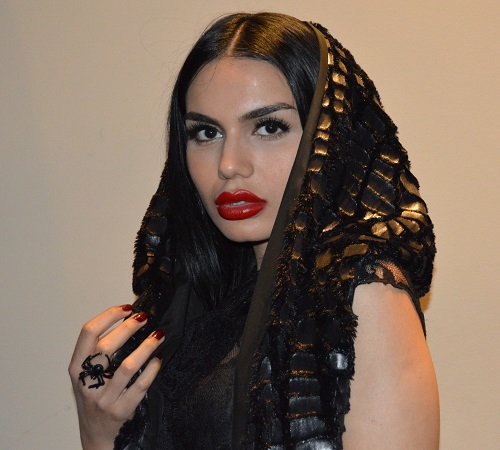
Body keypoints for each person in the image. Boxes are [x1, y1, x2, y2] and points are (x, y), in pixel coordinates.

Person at [69, 12, 439, 449]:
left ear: (331, 138)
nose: (229, 164)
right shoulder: (194, 306)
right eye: (206, 132)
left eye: (269, 127)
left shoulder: (363, 294)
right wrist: (99, 431)